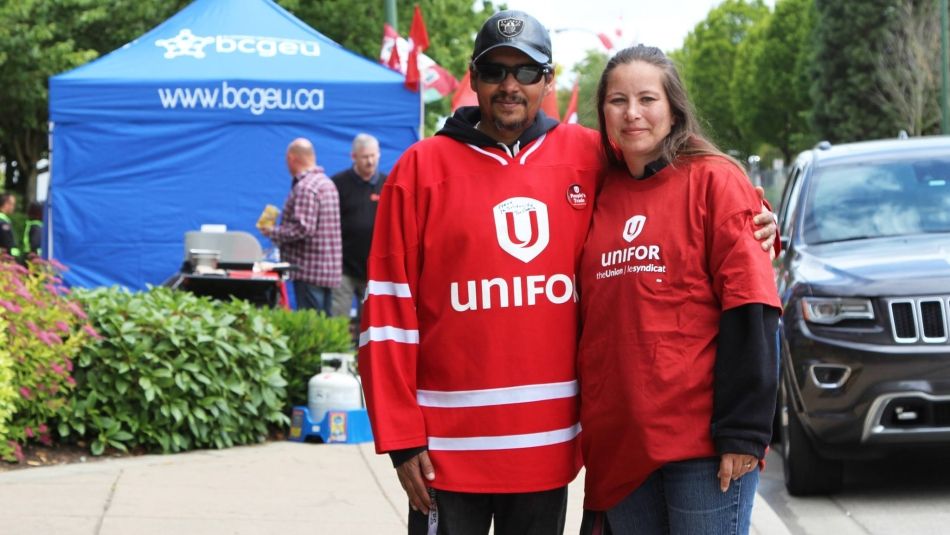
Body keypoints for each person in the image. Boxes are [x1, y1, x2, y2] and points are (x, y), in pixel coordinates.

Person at [358, 11, 777, 535]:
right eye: (494, 72)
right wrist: (401, 436)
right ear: (474, 77)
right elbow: (387, 314)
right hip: (448, 450)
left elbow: (674, 168)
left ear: (548, 80)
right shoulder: (418, 171)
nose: (510, 86)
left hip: (548, 449)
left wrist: (756, 215)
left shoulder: (589, 154)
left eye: (527, 72)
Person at [576, 45, 782, 535]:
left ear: (673, 109)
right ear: (602, 112)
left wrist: (744, 432)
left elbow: (753, 308)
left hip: (702, 447)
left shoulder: (715, 181)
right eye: (617, 100)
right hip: (621, 446)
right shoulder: (595, 190)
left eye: (647, 99)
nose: (632, 114)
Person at [259, 138, 341, 314]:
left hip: (309, 270)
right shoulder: (327, 184)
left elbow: (303, 228)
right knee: (324, 327)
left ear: (291, 158)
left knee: (311, 326)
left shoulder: (305, 187)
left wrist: (272, 232)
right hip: (328, 271)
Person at [330, 133, 387, 326]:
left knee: (372, 326)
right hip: (343, 268)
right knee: (338, 323)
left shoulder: (387, 184)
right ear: (353, 157)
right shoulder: (338, 184)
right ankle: (338, 356)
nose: (370, 161)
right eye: (365, 157)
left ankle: (365, 357)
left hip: (375, 269)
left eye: (373, 156)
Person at [0, 192, 19, 258]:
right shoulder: (2, 222)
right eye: (12, 204)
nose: (13, 207)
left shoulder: (4, 220)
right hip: (5, 259)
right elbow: (7, 243)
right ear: (6, 204)